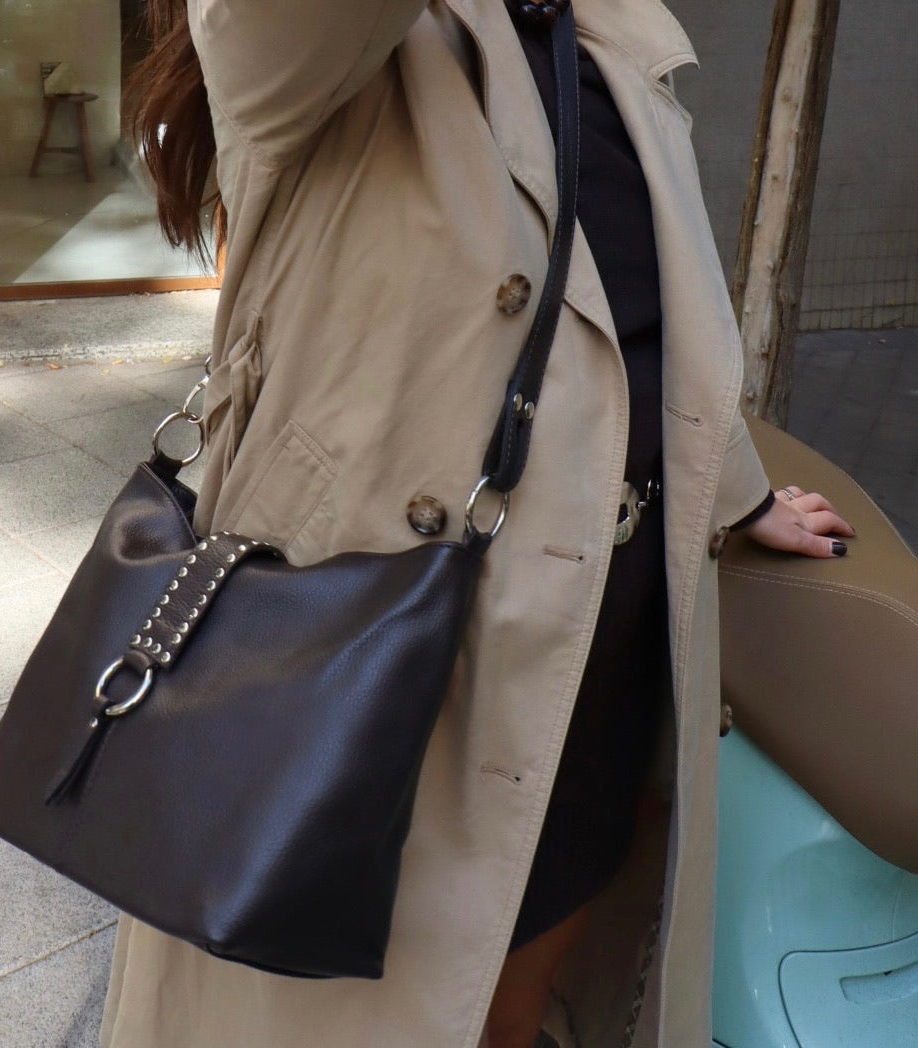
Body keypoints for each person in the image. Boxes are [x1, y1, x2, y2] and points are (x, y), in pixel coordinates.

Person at [101, 2, 854, 1046]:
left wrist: (736, 487)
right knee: (357, 1010)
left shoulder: (597, 25)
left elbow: (645, 305)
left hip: (593, 640)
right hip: (381, 652)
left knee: (514, 993)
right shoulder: (315, 39)